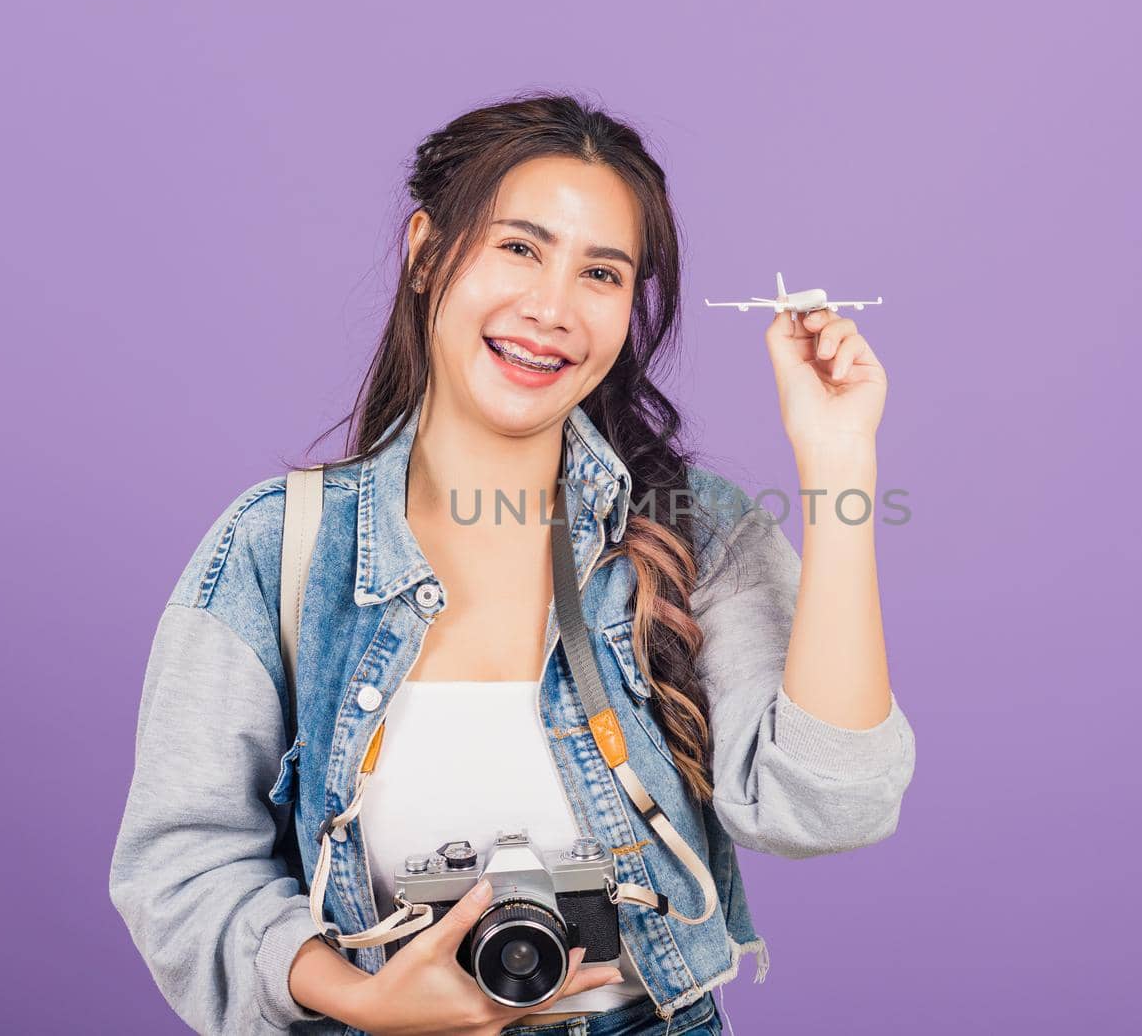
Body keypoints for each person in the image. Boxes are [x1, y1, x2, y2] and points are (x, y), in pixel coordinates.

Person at [109, 91, 916, 1036]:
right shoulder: (273, 550)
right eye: (520, 247)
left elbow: (830, 808)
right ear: (425, 252)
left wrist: (838, 468)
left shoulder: (690, 533)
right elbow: (182, 866)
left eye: (602, 274)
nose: (551, 310)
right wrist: (358, 994)